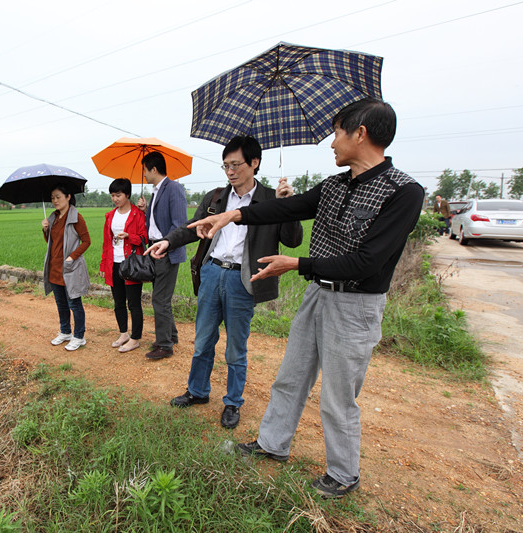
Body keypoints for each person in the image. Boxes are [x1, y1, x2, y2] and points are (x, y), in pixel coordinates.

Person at [189, 98, 424, 498]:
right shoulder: (334, 184)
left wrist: (296, 265)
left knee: (338, 395)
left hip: (356, 305)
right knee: (291, 376)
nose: (332, 143)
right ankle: (271, 444)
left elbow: (367, 262)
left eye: (336, 133)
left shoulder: (403, 191)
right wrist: (231, 215)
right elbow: (289, 207)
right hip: (318, 295)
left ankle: (344, 474)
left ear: (360, 133)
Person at [146, 136, 303, 429]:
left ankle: (232, 402)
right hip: (212, 273)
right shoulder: (216, 197)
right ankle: (197, 392)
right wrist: (168, 240)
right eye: (226, 165)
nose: (230, 171)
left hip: (242, 279)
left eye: (236, 165)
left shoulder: (270, 199)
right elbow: (192, 229)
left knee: (236, 347)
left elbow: (292, 241)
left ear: (254, 163)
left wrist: (288, 205)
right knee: (203, 340)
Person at [136, 151, 187, 360]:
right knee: (162, 297)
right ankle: (171, 336)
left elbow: (179, 223)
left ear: (153, 169)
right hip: (155, 249)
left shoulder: (173, 188)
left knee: (159, 299)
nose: (144, 175)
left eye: (145, 170)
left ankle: (164, 345)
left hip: (167, 250)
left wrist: (165, 247)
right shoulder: (156, 191)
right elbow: (157, 221)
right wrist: (145, 209)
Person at [99, 178, 147, 353]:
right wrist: (104, 265)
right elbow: (106, 243)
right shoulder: (110, 216)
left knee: (133, 303)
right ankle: (123, 333)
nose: (115, 199)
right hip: (114, 263)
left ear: (127, 194)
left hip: (132, 264)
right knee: (118, 302)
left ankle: (135, 338)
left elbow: (144, 238)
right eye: (112, 195)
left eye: (118, 195)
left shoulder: (138, 214)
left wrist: (129, 236)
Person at [42, 183, 91, 351]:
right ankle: (65, 331)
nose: (55, 201)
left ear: (68, 196)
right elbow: (51, 243)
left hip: (70, 268)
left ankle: (79, 336)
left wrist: (72, 257)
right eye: (52, 198)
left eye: (58, 197)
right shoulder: (53, 218)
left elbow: (86, 241)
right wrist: (45, 230)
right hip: (54, 267)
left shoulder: (76, 217)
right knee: (61, 303)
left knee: (74, 303)